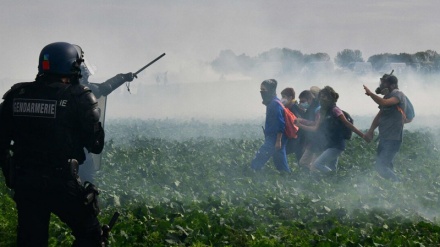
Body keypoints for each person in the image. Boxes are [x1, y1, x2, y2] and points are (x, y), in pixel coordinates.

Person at [0, 42, 105, 246]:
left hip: (26, 181)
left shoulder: (16, 95)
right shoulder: (79, 96)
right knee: (91, 235)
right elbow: (96, 145)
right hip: (61, 182)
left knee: (31, 240)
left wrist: (11, 175)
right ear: (73, 66)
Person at [74, 44, 135, 183]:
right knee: (87, 180)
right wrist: (123, 77)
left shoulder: (47, 90)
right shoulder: (82, 91)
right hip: (77, 148)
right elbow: (104, 88)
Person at [296, 86, 366, 173]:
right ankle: (335, 181)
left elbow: (347, 124)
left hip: (337, 145)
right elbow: (316, 126)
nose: (322, 99)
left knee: (317, 164)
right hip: (329, 144)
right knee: (332, 168)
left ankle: (335, 178)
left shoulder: (335, 110)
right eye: (321, 96)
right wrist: (302, 122)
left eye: (324, 96)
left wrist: (363, 135)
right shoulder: (322, 111)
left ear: (330, 97)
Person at [363, 72, 408, 181]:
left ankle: (397, 183)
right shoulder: (388, 96)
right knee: (386, 165)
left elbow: (384, 102)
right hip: (384, 136)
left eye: (384, 83)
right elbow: (379, 116)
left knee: (381, 166)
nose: (382, 86)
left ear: (392, 85)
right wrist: (371, 130)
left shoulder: (398, 95)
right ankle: (392, 188)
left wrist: (370, 94)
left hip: (393, 137)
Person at [250, 79, 291, 173]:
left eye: (264, 90)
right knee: (280, 162)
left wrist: (278, 141)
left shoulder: (274, 104)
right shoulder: (274, 102)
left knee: (259, 157)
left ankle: (252, 173)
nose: (262, 92)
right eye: (261, 90)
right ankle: (287, 177)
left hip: (275, 137)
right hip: (276, 137)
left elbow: (280, 124)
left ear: (270, 90)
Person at [297, 90, 322, 170]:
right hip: (312, 141)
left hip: (320, 140)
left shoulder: (318, 109)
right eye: (300, 101)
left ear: (310, 99)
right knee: (303, 162)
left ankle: (328, 177)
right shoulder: (310, 109)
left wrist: (301, 122)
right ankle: (309, 179)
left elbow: (316, 124)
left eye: (303, 101)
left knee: (315, 166)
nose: (301, 103)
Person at [280, 87, 304, 162]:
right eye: (282, 97)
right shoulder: (289, 107)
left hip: (297, 138)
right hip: (295, 138)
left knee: (281, 152)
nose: (282, 99)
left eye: (284, 97)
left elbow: (297, 122)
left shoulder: (294, 108)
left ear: (290, 98)